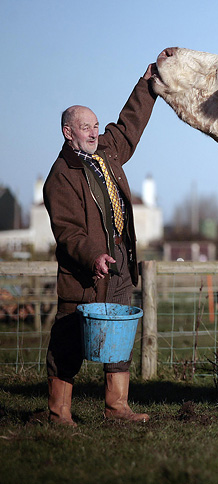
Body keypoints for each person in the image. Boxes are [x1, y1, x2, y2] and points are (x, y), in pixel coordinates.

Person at [43, 64, 158, 426]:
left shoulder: (105, 152)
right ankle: (58, 413)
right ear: (68, 132)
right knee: (69, 340)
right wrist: (93, 256)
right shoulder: (61, 177)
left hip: (121, 262)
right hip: (85, 273)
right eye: (85, 127)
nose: (94, 132)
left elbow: (127, 127)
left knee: (120, 336)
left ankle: (117, 408)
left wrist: (148, 84)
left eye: (95, 125)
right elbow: (68, 233)